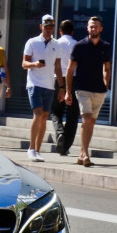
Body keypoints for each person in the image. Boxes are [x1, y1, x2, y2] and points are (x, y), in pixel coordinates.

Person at [64, 16, 111, 167]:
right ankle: (85, 154)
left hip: (99, 90)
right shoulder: (79, 46)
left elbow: (107, 67)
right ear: (87, 28)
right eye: (91, 26)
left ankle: (81, 153)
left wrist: (106, 83)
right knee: (86, 119)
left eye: (96, 26)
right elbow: (70, 70)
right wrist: (67, 91)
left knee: (91, 122)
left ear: (101, 29)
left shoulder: (105, 46)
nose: (93, 29)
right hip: (82, 89)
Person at [21, 14, 58, 161]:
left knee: (44, 117)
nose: (48, 30)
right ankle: (31, 148)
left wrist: (62, 87)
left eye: (51, 27)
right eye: (46, 27)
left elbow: (58, 67)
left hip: (49, 84)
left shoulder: (57, 44)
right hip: (35, 83)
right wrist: (35, 64)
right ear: (41, 27)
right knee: (37, 114)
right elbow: (24, 64)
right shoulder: (32, 42)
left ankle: (37, 149)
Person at [49, 19, 79, 155]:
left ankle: (60, 133)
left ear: (60, 31)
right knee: (73, 114)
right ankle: (65, 145)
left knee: (55, 111)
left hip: (57, 78)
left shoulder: (55, 44)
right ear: (72, 32)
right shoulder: (77, 45)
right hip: (74, 79)